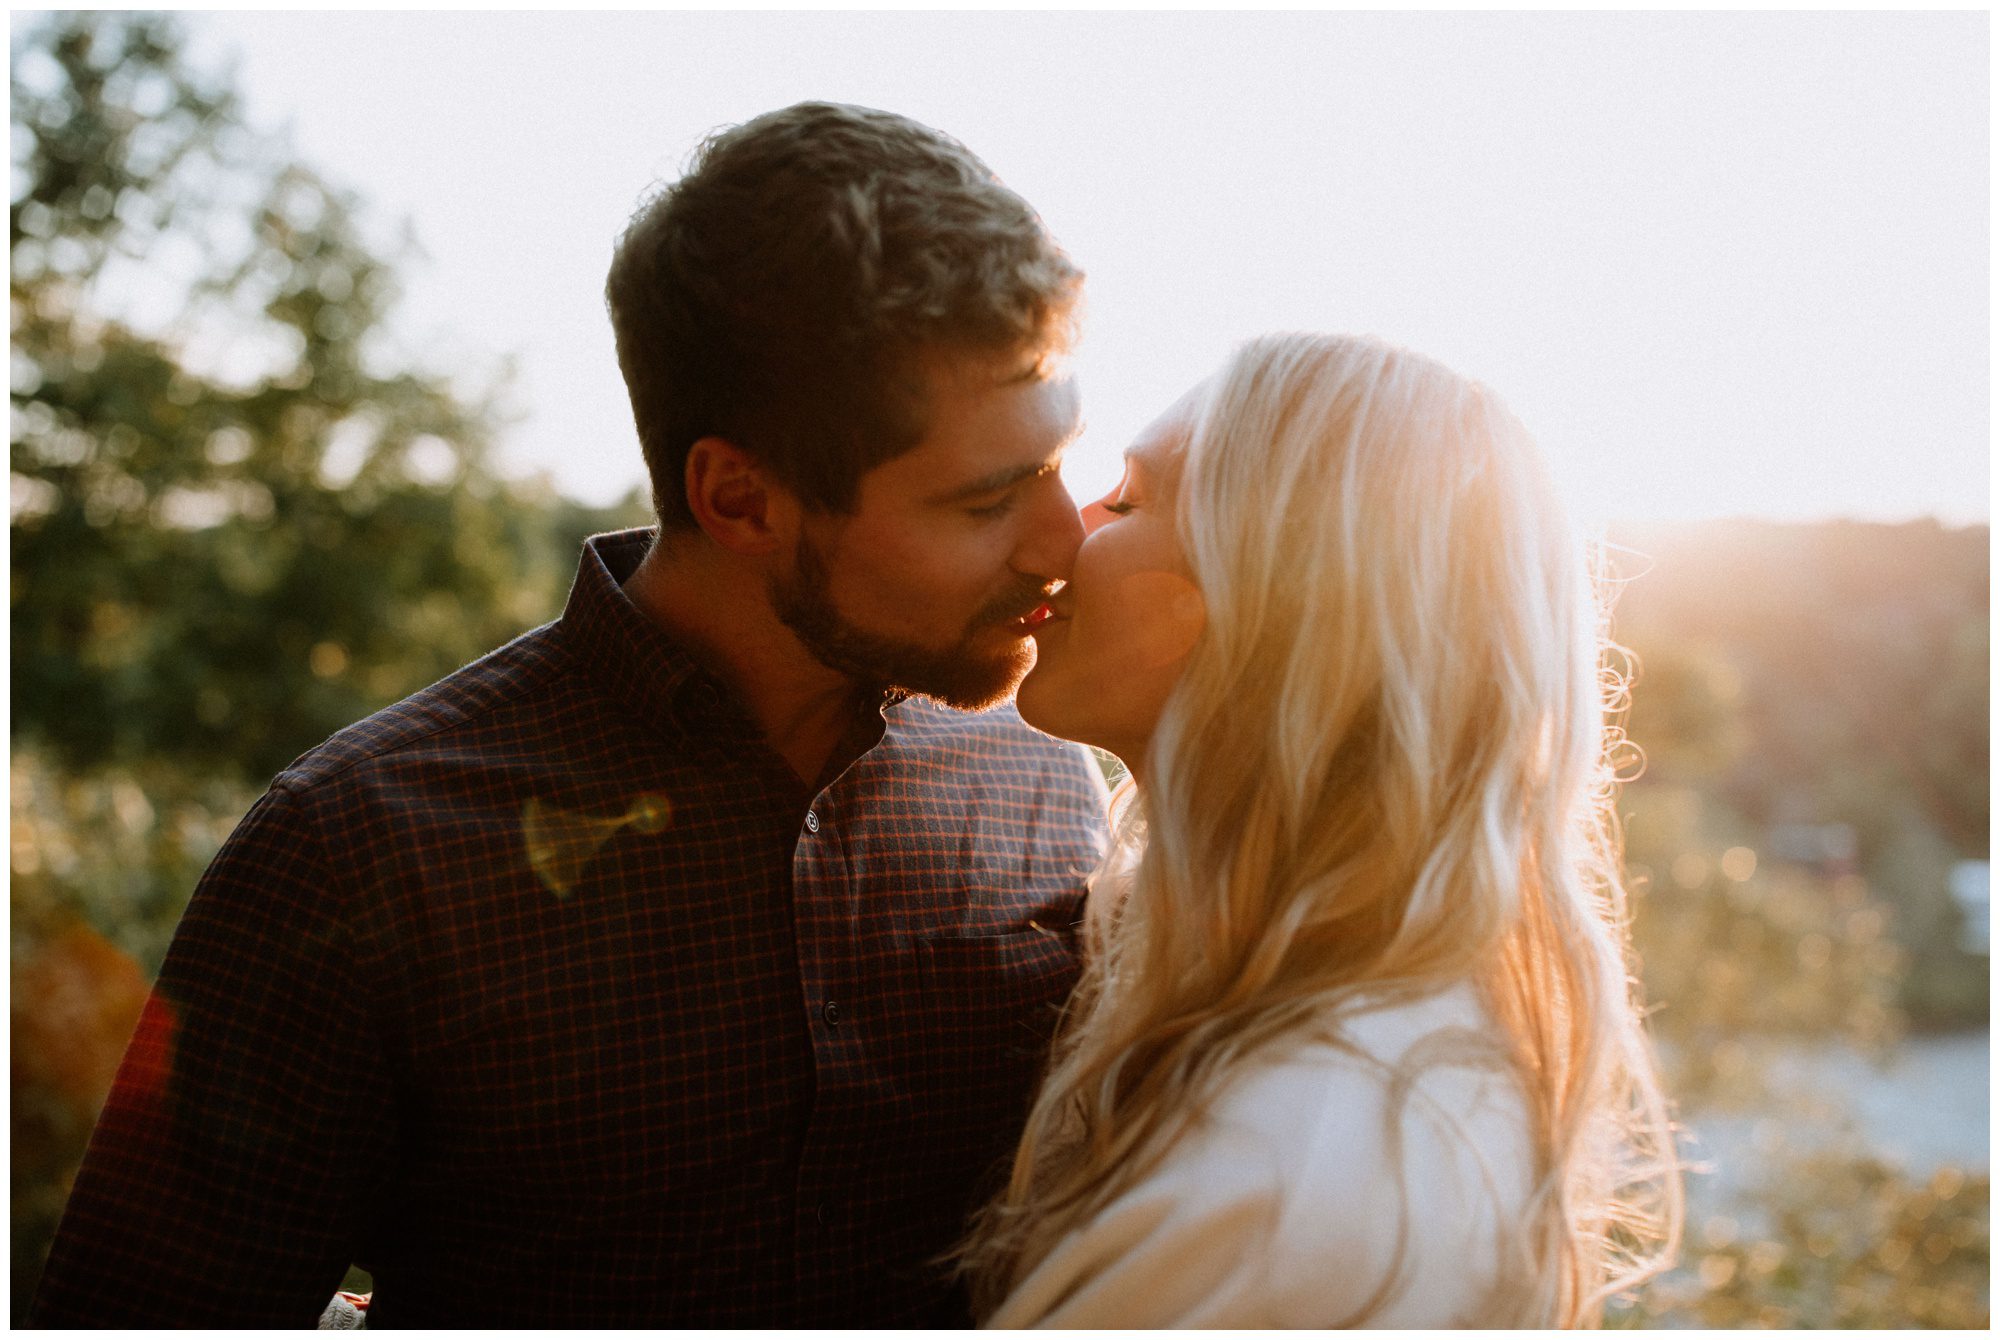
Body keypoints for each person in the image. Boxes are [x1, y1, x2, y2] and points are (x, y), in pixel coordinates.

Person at [31, 102, 1108, 1327]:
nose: (1065, 539)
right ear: (741, 496)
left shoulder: (1048, 772)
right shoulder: (358, 847)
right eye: (985, 501)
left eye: (1062, 459)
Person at [963, 333, 1683, 1326]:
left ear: (1281, 601)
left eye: (1127, 500)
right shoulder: (1274, 1026)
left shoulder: (1281, 1184)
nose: (1064, 535)